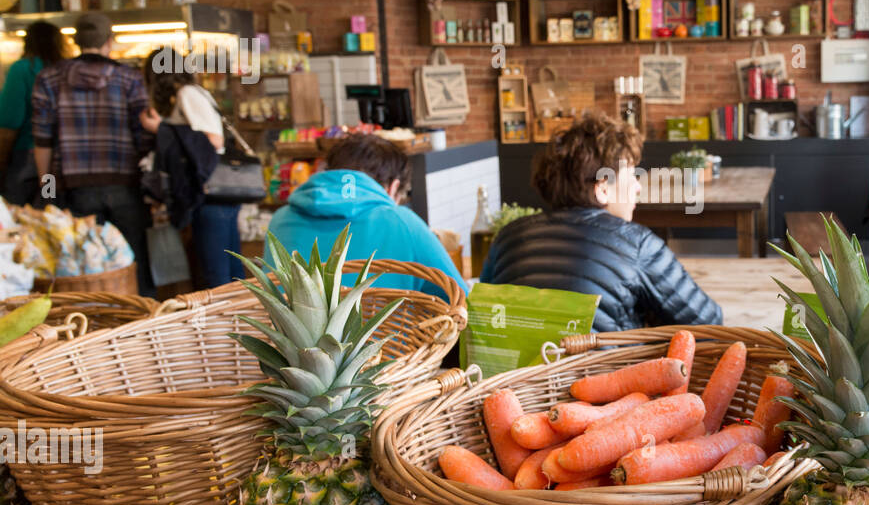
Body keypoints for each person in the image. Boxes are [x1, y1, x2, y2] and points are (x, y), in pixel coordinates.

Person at [480, 112, 722, 333]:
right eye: (632, 175)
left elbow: (485, 320)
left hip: (514, 381)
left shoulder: (506, 238)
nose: (638, 187)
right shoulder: (637, 244)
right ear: (603, 188)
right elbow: (710, 325)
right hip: (602, 378)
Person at [30, 12, 154, 295]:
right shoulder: (129, 78)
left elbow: (42, 140)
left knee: (83, 270)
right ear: (109, 42)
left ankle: (95, 329)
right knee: (134, 264)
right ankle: (145, 322)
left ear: (76, 41)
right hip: (125, 186)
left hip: (73, 189)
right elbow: (144, 137)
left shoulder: (49, 78)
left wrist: (47, 190)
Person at [268, 133, 467, 300]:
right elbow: (462, 299)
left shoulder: (279, 220)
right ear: (393, 187)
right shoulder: (403, 222)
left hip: (286, 347)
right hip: (396, 347)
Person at [138, 47, 238, 289]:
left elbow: (214, 140)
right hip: (215, 194)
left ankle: (225, 325)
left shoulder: (187, 94)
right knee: (230, 273)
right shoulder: (191, 93)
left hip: (212, 192)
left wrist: (160, 128)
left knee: (217, 277)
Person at [0, 21, 67, 206]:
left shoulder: (22, 69)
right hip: (59, 160)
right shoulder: (67, 71)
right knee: (50, 210)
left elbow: (10, 120)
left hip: (26, 160)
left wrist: (2, 163)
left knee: (19, 214)